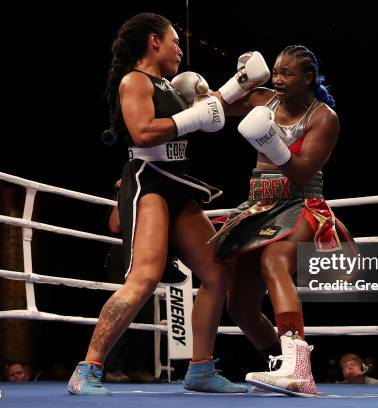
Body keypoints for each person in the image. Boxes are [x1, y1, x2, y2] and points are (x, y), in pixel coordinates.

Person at [67, 12, 267, 395]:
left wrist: (241, 82)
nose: (180, 48)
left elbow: (208, 110)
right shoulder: (134, 81)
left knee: (217, 273)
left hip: (178, 182)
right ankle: (87, 369)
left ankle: (201, 368)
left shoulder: (169, 87)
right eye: (175, 40)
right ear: (154, 41)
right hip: (150, 180)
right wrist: (194, 115)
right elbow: (142, 133)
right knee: (144, 276)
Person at [209, 45, 357, 396]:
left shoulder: (324, 118)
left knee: (275, 261)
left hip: (302, 202)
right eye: (275, 71)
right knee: (241, 306)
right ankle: (282, 364)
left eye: (286, 73)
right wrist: (238, 82)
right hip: (259, 206)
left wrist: (270, 141)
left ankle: (300, 370)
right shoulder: (263, 100)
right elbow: (211, 111)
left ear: (308, 78)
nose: (277, 79)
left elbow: (304, 172)